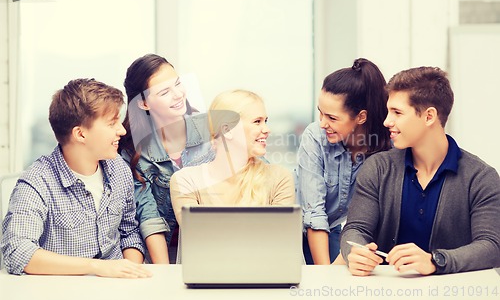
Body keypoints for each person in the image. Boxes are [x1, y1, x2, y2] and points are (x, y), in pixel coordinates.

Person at [340, 66, 500, 276]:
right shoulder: (377, 168)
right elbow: (354, 230)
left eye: (397, 112)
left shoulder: (481, 178)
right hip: (384, 291)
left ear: (428, 116)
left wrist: (436, 261)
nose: (387, 121)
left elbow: (491, 247)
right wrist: (356, 251)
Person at [0, 78, 151, 278]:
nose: (121, 131)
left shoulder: (119, 170)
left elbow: (128, 233)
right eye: (112, 123)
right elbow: (17, 252)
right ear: (80, 134)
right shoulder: (37, 181)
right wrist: (96, 267)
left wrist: (129, 272)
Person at [119, 54, 214, 263]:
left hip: (212, 247)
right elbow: (148, 217)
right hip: (164, 253)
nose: (178, 94)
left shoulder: (210, 130)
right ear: (143, 103)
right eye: (164, 92)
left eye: (177, 84)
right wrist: (164, 273)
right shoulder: (131, 152)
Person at [296, 58, 392, 265]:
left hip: (351, 236)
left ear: (361, 117)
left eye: (332, 118)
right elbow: (314, 213)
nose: (322, 124)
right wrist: (325, 276)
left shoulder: (389, 148)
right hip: (305, 232)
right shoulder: (315, 136)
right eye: (320, 113)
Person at [170, 89, 295, 227]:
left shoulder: (280, 178)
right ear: (227, 130)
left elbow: (279, 239)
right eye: (257, 121)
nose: (266, 129)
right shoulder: (186, 182)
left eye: (265, 121)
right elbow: (201, 239)